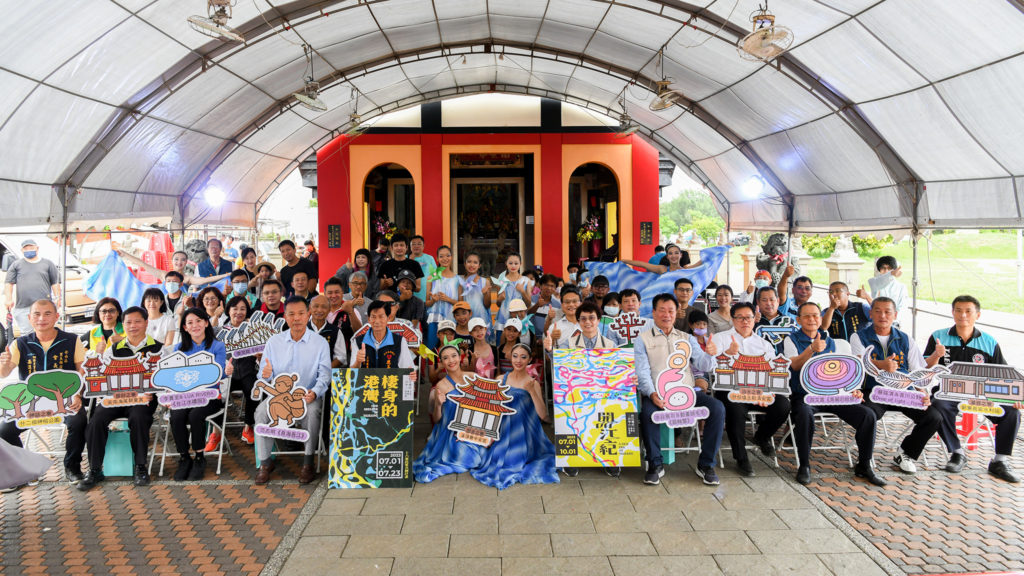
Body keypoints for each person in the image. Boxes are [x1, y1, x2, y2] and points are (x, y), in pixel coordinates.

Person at [414, 342, 558, 489]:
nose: (451, 360)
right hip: (452, 432)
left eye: (453, 356)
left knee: (483, 458)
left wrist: (486, 434)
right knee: (471, 460)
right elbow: (438, 419)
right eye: (446, 358)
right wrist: (438, 403)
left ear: (460, 357)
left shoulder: (473, 377)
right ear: (442, 361)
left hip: (491, 430)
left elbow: (487, 408)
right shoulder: (442, 385)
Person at [783, 301, 883, 486]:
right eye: (807, 316)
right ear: (798, 320)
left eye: (815, 315)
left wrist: (852, 388)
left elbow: (841, 371)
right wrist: (811, 349)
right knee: (804, 414)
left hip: (833, 394)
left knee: (868, 414)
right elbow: (794, 365)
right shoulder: (791, 339)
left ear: (821, 319)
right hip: (805, 395)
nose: (812, 319)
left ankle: (864, 464)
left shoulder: (831, 342)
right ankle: (804, 464)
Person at [925, 295, 1021, 483]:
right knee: (939, 406)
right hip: (948, 392)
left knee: (1012, 412)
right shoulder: (939, 336)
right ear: (952, 313)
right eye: (958, 310)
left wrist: (1014, 398)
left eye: (968, 311)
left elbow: (1004, 374)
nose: (963, 315)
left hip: (983, 395)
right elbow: (924, 367)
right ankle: (957, 453)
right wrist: (936, 355)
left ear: (978, 315)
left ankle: (999, 461)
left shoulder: (989, 341)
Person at [634, 293, 722, 485]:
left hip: (687, 394)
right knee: (647, 413)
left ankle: (706, 464)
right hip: (657, 394)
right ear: (654, 313)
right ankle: (655, 464)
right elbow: (642, 372)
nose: (666, 315)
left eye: (671, 311)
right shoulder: (643, 339)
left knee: (717, 409)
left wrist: (710, 354)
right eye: (662, 310)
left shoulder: (687, 338)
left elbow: (704, 365)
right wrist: (652, 393)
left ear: (676, 314)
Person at [851, 298, 946, 476]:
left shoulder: (905, 339)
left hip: (903, 391)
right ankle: (864, 459)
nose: (882, 315)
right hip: (874, 391)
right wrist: (881, 364)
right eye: (877, 311)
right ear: (870, 313)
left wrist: (923, 392)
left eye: (887, 311)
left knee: (933, 416)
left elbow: (918, 370)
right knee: (867, 416)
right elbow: (857, 364)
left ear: (895, 315)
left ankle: (906, 454)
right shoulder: (858, 336)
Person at [0, 299, 88, 484]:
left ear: (57, 316)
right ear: (29, 318)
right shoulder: (21, 344)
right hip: (30, 404)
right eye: (37, 314)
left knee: (78, 421)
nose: (42, 318)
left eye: (47, 313)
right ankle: (25, 470)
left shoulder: (72, 340)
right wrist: (4, 363)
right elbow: (5, 373)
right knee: (4, 430)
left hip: (64, 400)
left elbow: (82, 370)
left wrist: (77, 394)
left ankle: (72, 467)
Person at [78, 306, 161, 490]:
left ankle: (140, 466)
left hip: (143, 399)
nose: (133, 326)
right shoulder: (113, 349)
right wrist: (98, 355)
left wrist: (154, 391)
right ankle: (94, 469)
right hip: (116, 398)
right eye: (128, 322)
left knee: (139, 418)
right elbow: (100, 374)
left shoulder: (158, 348)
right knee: (96, 420)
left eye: (138, 321)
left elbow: (164, 378)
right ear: (123, 325)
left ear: (146, 323)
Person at [254, 297, 332, 485]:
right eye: (291, 314)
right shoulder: (274, 342)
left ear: (308, 315)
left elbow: (325, 375)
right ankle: (265, 463)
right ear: (285, 317)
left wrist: (314, 392)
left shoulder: (320, 343)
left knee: (312, 413)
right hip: (278, 398)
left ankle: (308, 463)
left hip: (307, 396)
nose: (296, 318)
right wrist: (264, 375)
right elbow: (263, 376)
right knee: (261, 412)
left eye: (300, 313)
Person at [709, 302, 791, 476]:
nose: (745, 321)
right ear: (733, 319)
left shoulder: (763, 344)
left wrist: (767, 392)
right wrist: (729, 353)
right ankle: (741, 458)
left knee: (783, 405)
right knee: (735, 411)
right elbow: (712, 367)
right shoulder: (720, 338)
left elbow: (772, 369)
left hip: (760, 390)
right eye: (740, 317)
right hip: (731, 389)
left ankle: (761, 436)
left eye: (749, 317)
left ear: (755, 319)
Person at [168, 307, 227, 481]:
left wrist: (226, 370)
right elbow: (173, 375)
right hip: (185, 396)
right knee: (176, 416)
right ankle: (184, 457)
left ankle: (200, 457)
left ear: (206, 323)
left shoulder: (217, 346)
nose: (195, 325)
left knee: (195, 416)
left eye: (198, 321)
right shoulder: (179, 348)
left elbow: (220, 372)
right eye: (190, 322)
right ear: (185, 327)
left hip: (209, 396)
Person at [219, 296, 260, 445]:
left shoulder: (254, 330)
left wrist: (258, 355)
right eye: (235, 308)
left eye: (243, 309)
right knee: (217, 394)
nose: (238, 312)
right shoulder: (220, 330)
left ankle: (248, 426)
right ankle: (216, 431)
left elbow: (261, 355)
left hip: (247, 372)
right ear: (228, 310)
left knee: (254, 391)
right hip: (227, 374)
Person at [3, 239, 60, 335]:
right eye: (26, 248)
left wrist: (58, 298)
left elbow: (55, 283)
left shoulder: (48, 264)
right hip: (23, 307)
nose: (29, 250)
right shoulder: (16, 265)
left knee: (46, 333)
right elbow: (8, 283)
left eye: (31, 247)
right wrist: (8, 299)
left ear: (37, 248)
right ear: (22, 250)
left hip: (44, 307)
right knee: (26, 335)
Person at [425, 245, 460, 351]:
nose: (445, 259)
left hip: (451, 320)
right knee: (432, 350)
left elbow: (461, 304)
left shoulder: (457, 279)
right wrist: (433, 300)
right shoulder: (431, 277)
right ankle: (432, 368)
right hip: (434, 319)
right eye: (441, 256)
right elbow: (426, 303)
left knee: (450, 349)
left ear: (452, 257)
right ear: (437, 258)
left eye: (448, 255)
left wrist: (448, 299)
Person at [494, 253, 531, 340]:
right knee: (502, 347)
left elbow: (529, 303)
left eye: (516, 263)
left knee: (520, 347)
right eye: (510, 263)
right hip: (503, 318)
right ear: (506, 263)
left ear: (520, 264)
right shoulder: (501, 280)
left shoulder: (526, 280)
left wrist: (522, 291)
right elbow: (498, 304)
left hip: (520, 319)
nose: (513, 266)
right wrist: (500, 298)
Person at [308, 295, 346, 369]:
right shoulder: (302, 330)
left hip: (327, 375)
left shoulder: (335, 331)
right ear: (310, 308)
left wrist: (325, 369)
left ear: (329, 309)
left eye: (324, 307)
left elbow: (341, 357)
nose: (319, 310)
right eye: (316, 306)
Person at [459, 251, 492, 328]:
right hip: (466, 319)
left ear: (479, 265)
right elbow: (460, 303)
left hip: (481, 318)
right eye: (469, 262)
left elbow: (487, 305)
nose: (472, 265)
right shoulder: (461, 282)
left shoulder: (485, 281)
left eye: (475, 262)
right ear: (465, 264)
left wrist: (485, 294)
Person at [622, 243, 702, 273]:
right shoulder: (662, 269)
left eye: (676, 253)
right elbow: (643, 264)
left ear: (681, 255)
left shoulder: (685, 271)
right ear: (667, 256)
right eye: (670, 253)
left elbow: (700, 264)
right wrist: (625, 261)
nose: (673, 256)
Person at [527, 274, 560, 338]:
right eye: (546, 285)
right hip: (531, 338)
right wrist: (537, 305)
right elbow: (526, 315)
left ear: (555, 288)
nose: (549, 288)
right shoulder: (531, 299)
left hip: (548, 338)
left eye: (552, 286)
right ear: (540, 286)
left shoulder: (558, 305)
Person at [409, 235, 436, 303]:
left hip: (426, 297)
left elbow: (435, 275)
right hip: (410, 298)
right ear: (410, 247)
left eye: (419, 244)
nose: (416, 246)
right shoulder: (406, 258)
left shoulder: (430, 258)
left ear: (423, 246)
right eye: (413, 244)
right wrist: (410, 261)